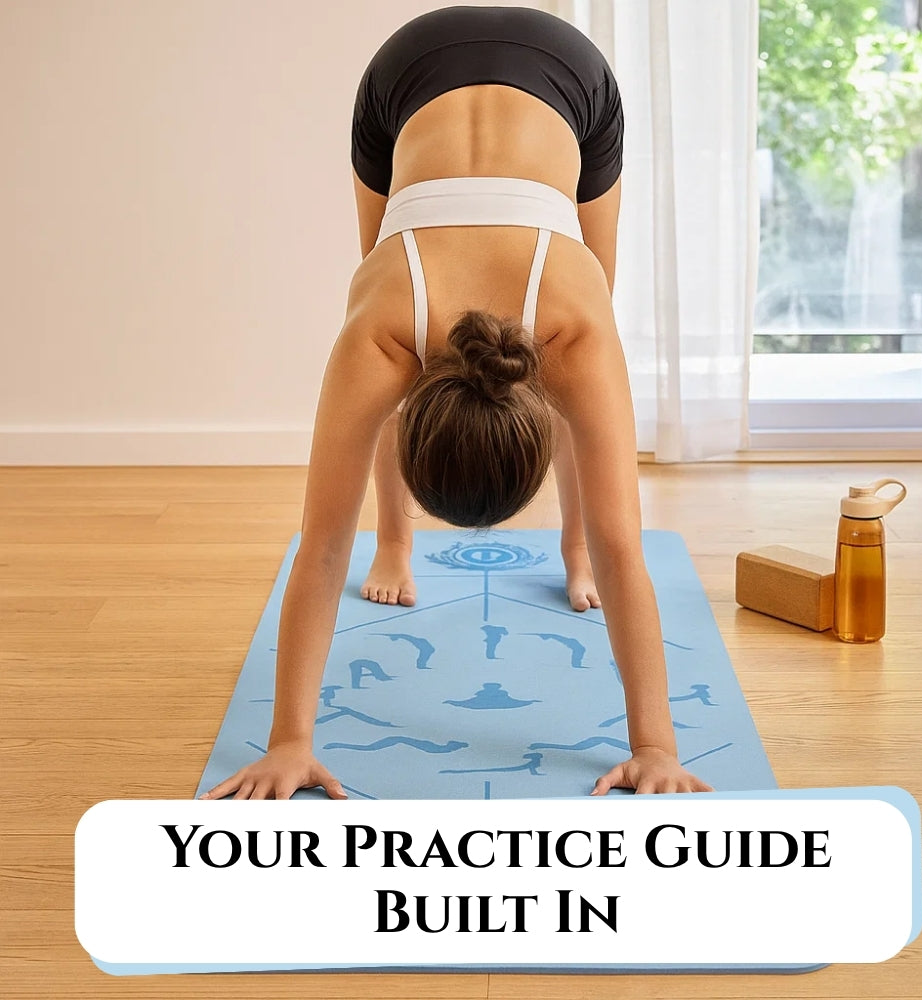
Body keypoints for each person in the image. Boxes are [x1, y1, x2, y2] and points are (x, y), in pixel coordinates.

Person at [201, 5, 713, 801]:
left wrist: (657, 746)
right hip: (417, 78)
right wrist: (289, 742)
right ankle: (397, 543)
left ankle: (566, 550)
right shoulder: (383, 328)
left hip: (532, 77)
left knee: (591, 408)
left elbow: (620, 547)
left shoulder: (571, 324)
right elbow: (327, 546)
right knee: (409, 379)